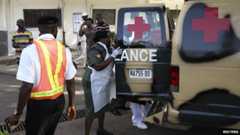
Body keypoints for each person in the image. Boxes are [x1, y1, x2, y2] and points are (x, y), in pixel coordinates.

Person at [5, 16, 77, 135]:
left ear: (39, 30)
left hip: (39, 105)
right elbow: (71, 80)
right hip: (58, 102)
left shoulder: (30, 51)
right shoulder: (65, 50)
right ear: (55, 30)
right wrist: (71, 105)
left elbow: (26, 86)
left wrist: (17, 114)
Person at [82, 30, 122, 135]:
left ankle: (100, 130)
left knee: (102, 105)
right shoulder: (94, 49)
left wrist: (115, 54)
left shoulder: (106, 48)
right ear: (103, 38)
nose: (110, 40)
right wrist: (112, 56)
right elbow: (98, 67)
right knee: (91, 109)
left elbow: (109, 63)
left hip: (102, 82)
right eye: (108, 38)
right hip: (92, 81)